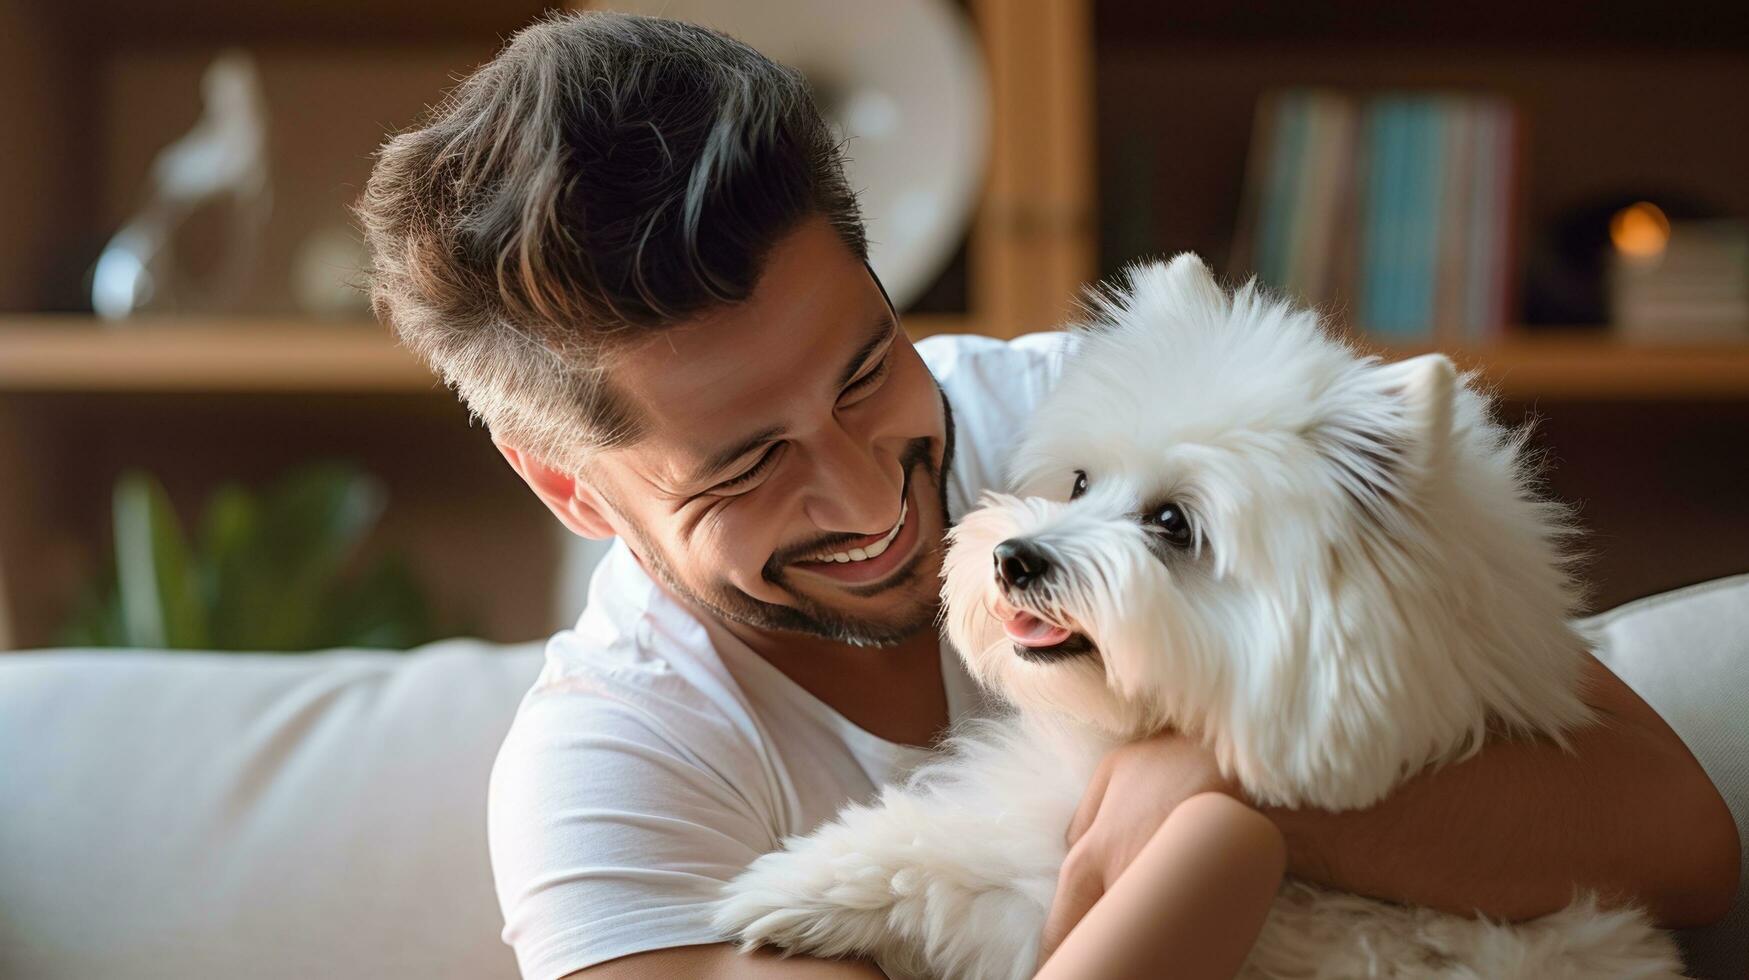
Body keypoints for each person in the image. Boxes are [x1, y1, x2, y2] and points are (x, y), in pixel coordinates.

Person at [356, 11, 1741, 979]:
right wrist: (1207, 845)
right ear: (569, 488)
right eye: (746, 462)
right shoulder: (613, 780)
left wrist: (1205, 770)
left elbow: (1676, 842)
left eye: (863, 375)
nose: (866, 496)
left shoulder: (1107, 419)